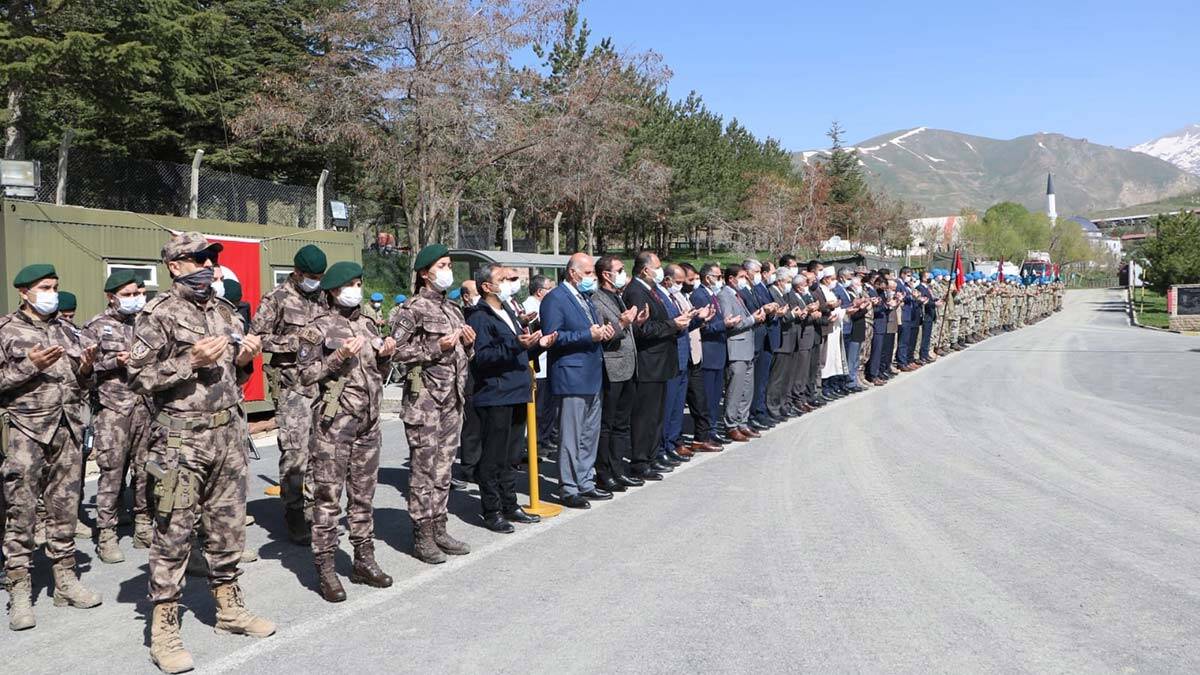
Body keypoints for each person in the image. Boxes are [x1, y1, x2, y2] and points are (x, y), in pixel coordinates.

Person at [128, 233, 272, 672]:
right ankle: (164, 628)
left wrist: (247, 358)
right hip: (180, 440)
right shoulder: (158, 315)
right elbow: (137, 378)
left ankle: (229, 607)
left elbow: (234, 376)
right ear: (174, 266)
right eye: (197, 259)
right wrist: (189, 360)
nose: (207, 265)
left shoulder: (225, 311)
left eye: (211, 258)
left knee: (228, 528)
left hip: (228, 433)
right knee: (173, 532)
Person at [2, 264, 102, 632]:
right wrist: (28, 366)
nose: (52, 293)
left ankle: (65, 582)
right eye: (45, 287)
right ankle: (20, 592)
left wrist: (87, 370)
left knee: (64, 508)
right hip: (29, 431)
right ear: (24, 292)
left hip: (68, 429)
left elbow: (83, 385)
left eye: (55, 286)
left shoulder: (66, 329)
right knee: (22, 511)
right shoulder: (6, 330)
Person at [298, 261, 396, 602]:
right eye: (350, 285)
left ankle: (363, 559)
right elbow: (306, 376)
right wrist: (338, 357)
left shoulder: (368, 325)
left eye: (359, 283)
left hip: (368, 423)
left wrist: (386, 356)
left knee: (363, 496)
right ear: (334, 291)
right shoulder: (317, 328)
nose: (357, 290)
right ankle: (325, 567)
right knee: (328, 499)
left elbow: (377, 372)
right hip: (333, 425)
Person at [391, 244, 476, 564]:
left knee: (443, 470)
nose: (448, 270)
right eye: (442, 265)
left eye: (449, 264)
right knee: (423, 471)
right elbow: (393, 352)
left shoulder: (453, 308)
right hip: (424, 401)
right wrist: (433, 348)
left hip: (452, 399)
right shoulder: (411, 309)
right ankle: (422, 535)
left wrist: (469, 346)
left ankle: (439, 526)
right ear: (425, 273)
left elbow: (460, 356)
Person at [466, 264, 557, 532]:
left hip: (517, 390)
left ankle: (510, 503)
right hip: (495, 394)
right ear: (487, 286)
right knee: (493, 456)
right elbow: (482, 358)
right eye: (504, 279)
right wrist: (517, 344)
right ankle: (492, 510)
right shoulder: (479, 316)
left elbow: (518, 349)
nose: (509, 283)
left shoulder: (508, 310)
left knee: (512, 455)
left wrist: (537, 345)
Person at [249, 244, 328, 544]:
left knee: (320, 450)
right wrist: (295, 341)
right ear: (296, 272)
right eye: (310, 276)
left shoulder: (323, 296)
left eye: (319, 276)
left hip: (323, 384)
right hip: (293, 386)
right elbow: (258, 339)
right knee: (295, 451)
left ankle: (313, 507)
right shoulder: (277, 299)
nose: (315, 281)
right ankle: (294, 511)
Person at [80, 271, 154, 564]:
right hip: (113, 410)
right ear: (111, 297)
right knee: (111, 472)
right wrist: (114, 361)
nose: (135, 299)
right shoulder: (96, 327)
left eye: (137, 292)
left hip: (145, 407)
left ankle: (143, 524)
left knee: (146, 470)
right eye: (128, 294)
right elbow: (81, 368)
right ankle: (107, 534)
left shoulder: (146, 323)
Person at [539, 252, 613, 509]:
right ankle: (568, 486)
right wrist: (586, 335)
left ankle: (585, 481)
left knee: (589, 433)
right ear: (573, 272)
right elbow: (553, 337)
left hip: (592, 373)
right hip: (571, 376)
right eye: (589, 272)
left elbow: (589, 331)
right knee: (571, 434)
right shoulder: (555, 299)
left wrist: (602, 332)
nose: (592, 277)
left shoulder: (584, 298)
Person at [623, 252, 690, 478]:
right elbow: (642, 329)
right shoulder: (635, 291)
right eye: (657, 267)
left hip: (660, 362)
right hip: (648, 362)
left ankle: (651, 456)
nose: (660, 271)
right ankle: (640, 461)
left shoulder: (651, 291)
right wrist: (673, 324)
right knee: (644, 417)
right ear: (644, 270)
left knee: (656, 416)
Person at [591, 256, 644, 490]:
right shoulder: (597, 300)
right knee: (608, 424)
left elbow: (625, 327)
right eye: (619, 270)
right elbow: (606, 335)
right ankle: (604, 472)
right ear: (606, 274)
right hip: (612, 368)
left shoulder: (618, 297)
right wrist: (623, 324)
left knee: (622, 424)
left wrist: (636, 322)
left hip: (629, 367)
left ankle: (617, 468)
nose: (623, 273)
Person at [717, 265, 764, 442]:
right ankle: (731, 425)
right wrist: (752, 319)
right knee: (735, 390)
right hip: (736, 348)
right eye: (742, 276)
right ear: (731, 278)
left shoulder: (738, 294)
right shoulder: (724, 296)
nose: (746, 280)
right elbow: (730, 322)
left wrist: (756, 316)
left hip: (747, 348)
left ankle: (742, 422)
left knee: (746, 389)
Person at [691, 263, 732, 444]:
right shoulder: (699, 296)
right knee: (707, 396)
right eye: (717, 276)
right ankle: (707, 431)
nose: (720, 279)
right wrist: (724, 324)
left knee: (715, 396)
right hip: (708, 352)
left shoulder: (712, 294)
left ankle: (713, 427)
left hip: (718, 351)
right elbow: (702, 327)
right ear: (708, 277)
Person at [522, 275, 559, 455]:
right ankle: (538, 443)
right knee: (539, 410)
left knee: (548, 408)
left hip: (547, 363)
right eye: (549, 289)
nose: (553, 292)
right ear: (539, 291)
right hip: (538, 365)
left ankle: (545, 439)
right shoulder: (530, 307)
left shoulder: (544, 305)